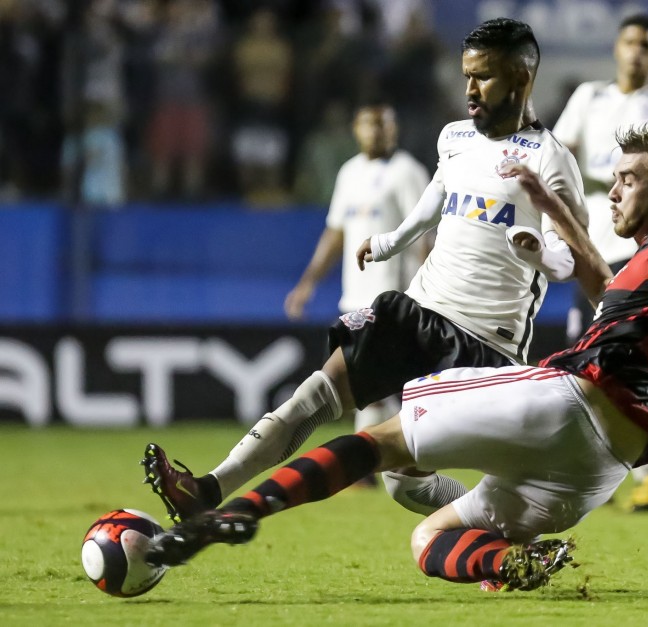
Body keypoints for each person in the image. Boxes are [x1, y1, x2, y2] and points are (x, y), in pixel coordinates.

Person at [144, 127, 648, 594]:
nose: (615, 188)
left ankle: (224, 516)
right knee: (427, 539)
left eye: (627, 179)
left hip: (574, 402)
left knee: (377, 440)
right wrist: (547, 214)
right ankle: (511, 564)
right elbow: (602, 280)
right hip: (594, 473)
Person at [142, 18, 590, 524]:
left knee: (404, 484)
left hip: (485, 342)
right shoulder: (455, 138)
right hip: (419, 309)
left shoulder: (554, 161)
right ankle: (207, 488)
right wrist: (392, 240)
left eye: (482, 77)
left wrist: (539, 253)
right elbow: (435, 199)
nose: (469, 89)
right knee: (317, 392)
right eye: (466, 75)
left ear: (520, 78)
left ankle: (502, 532)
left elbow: (572, 256)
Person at [551, 12, 648, 511]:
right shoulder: (589, 98)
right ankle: (632, 467)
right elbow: (556, 157)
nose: (637, 51)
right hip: (592, 248)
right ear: (617, 48)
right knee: (589, 357)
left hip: (644, 252)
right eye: (631, 42)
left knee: (616, 361)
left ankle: (646, 468)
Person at [283, 102, 429, 478]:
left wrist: (428, 287)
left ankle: (379, 463)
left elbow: (423, 235)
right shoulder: (349, 172)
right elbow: (337, 232)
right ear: (356, 129)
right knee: (366, 381)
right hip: (355, 294)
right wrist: (308, 283)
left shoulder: (407, 172)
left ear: (394, 130)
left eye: (384, 125)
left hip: (395, 296)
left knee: (375, 379)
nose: (376, 132)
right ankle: (381, 463)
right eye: (369, 124)